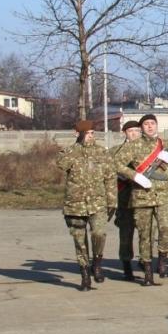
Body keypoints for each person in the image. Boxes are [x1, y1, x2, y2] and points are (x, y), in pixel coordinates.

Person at [112, 113, 168, 286]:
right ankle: (148, 271)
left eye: (152, 123)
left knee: (165, 229)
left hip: (164, 195)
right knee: (144, 234)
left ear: (156, 125)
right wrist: (134, 176)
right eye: (146, 124)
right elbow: (115, 163)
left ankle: (162, 261)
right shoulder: (133, 146)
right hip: (142, 196)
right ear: (142, 128)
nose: (149, 126)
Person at [57, 120, 116, 290]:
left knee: (99, 234)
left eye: (92, 133)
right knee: (79, 240)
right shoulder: (68, 152)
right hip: (75, 204)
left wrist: (112, 201)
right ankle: (84, 274)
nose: (91, 136)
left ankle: (97, 262)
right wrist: (77, 146)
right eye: (87, 133)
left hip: (98, 202)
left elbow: (110, 177)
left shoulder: (101, 153)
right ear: (78, 134)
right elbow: (61, 164)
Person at [112, 120, 142, 281]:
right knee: (126, 233)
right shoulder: (115, 151)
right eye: (131, 131)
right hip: (125, 198)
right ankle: (126, 265)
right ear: (124, 133)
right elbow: (110, 173)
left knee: (147, 232)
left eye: (137, 131)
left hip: (145, 197)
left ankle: (145, 260)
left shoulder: (147, 150)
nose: (134, 134)